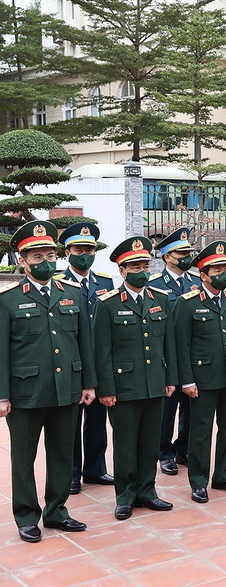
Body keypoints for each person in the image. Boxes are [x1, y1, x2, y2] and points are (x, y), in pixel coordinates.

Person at [0, 221, 96, 543]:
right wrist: (2, 395)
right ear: (23, 261)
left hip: (66, 389)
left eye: (50, 255)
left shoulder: (71, 294)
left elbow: (85, 342)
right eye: (37, 256)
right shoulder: (8, 300)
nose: (45, 261)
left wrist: (88, 383)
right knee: (23, 458)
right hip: (25, 394)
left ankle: (56, 511)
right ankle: (27, 516)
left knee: (61, 454)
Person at [93, 236, 177, 520]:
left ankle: (147, 491)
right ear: (122, 270)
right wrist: (106, 389)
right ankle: (125, 495)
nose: (142, 270)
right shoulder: (107, 304)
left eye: (145, 265)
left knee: (150, 442)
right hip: (123, 386)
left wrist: (170, 379)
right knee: (126, 444)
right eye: (135, 266)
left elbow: (169, 344)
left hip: (154, 382)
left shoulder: (160, 299)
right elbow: (101, 352)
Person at [173, 241, 226, 504]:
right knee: (201, 431)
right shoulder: (187, 304)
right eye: (216, 271)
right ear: (203, 275)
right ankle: (198, 481)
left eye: (225, 269)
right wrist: (187, 380)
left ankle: (224, 476)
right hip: (202, 379)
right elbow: (181, 346)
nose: (223, 275)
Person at [54, 223, 114, 495]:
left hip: (99, 361)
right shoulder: (58, 283)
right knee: (70, 421)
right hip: (71, 361)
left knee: (98, 418)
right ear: (67, 253)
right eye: (79, 250)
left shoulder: (105, 282)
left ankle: (95, 468)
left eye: (90, 250)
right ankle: (71, 474)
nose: (85, 255)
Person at [149, 227, 202, 477]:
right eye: (180, 253)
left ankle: (184, 448)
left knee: (191, 407)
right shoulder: (155, 285)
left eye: (188, 252)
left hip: (193, 355)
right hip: (166, 357)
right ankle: (165, 452)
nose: (186, 257)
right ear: (167, 257)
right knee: (167, 409)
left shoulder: (197, 282)